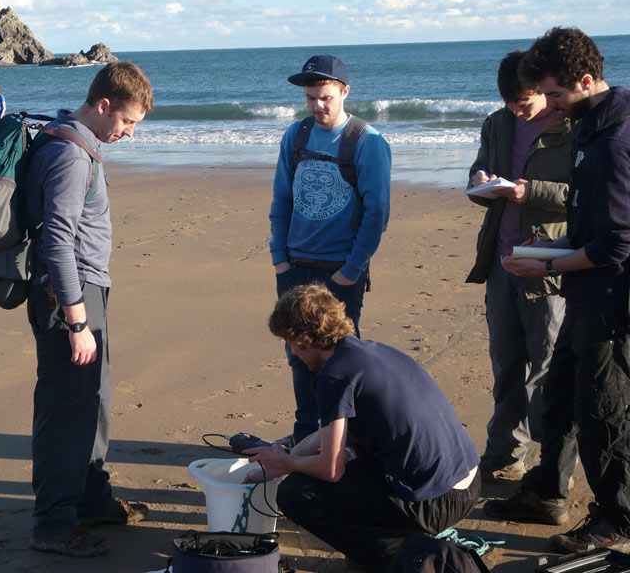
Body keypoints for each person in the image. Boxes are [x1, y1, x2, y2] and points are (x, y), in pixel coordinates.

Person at [484, 27, 630, 554]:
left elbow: (615, 245)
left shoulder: (615, 137)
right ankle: (545, 489)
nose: (554, 107)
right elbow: (591, 224)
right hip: (584, 287)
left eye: (557, 95)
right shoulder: (591, 125)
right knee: (562, 395)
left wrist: (548, 267)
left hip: (614, 298)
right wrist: (548, 255)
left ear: (585, 81)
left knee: (604, 410)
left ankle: (618, 518)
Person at [246, 283, 480, 572]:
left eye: (290, 343)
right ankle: (397, 539)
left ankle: (393, 554)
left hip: (436, 501)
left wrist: (287, 464)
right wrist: (284, 456)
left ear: (305, 339)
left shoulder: (333, 377)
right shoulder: (370, 352)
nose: (293, 353)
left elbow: (331, 471)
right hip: (469, 482)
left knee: (295, 493)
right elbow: (328, 434)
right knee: (350, 461)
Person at [23, 62, 153, 557]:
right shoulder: (72, 156)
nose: (128, 133)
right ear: (103, 106)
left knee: (94, 400)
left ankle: (91, 499)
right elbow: (57, 241)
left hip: (83, 292)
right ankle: (53, 525)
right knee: (67, 411)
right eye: (126, 122)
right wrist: (77, 320)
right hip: (66, 298)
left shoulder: (72, 140)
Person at [269, 54, 392, 449]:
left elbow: (377, 215)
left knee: (338, 361)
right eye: (310, 99)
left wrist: (351, 271)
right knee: (298, 355)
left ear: (344, 92)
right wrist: (279, 259)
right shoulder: (296, 135)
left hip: (340, 271)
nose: (318, 106)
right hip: (294, 267)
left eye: (325, 97)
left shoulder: (367, 142)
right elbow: (281, 201)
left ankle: (343, 440)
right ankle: (307, 433)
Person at [466, 51, 574, 482]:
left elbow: (589, 195)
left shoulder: (573, 126)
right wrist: (479, 182)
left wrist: (534, 192)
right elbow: (479, 174)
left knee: (548, 363)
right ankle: (505, 452)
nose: (516, 110)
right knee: (506, 359)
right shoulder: (497, 122)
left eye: (524, 102)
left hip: (549, 258)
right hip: (501, 257)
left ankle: (552, 463)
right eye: (510, 102)